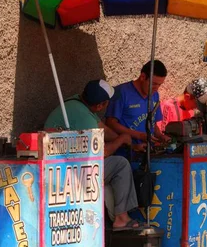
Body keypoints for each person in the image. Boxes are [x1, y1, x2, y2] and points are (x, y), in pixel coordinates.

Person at [45, 80, 142, 231]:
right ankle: (121, 218)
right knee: (120, 164)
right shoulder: (82, 115)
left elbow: (103, 131)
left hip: (66, 166)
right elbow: (100, 154)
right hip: (69, 174)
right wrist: (120, 141)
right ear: (99, 106)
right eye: (107, 103)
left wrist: (127, 142)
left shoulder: (77, 104)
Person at [106, 60, 171, 154]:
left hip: (148, 153)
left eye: (159, 85)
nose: (156, 88)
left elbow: (153, 124)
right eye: (153, 84)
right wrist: (139, 135)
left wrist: (161, 136)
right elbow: (110, 123)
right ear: (143, 77)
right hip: (126, 153)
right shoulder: (121, 92)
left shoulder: (155, 95)